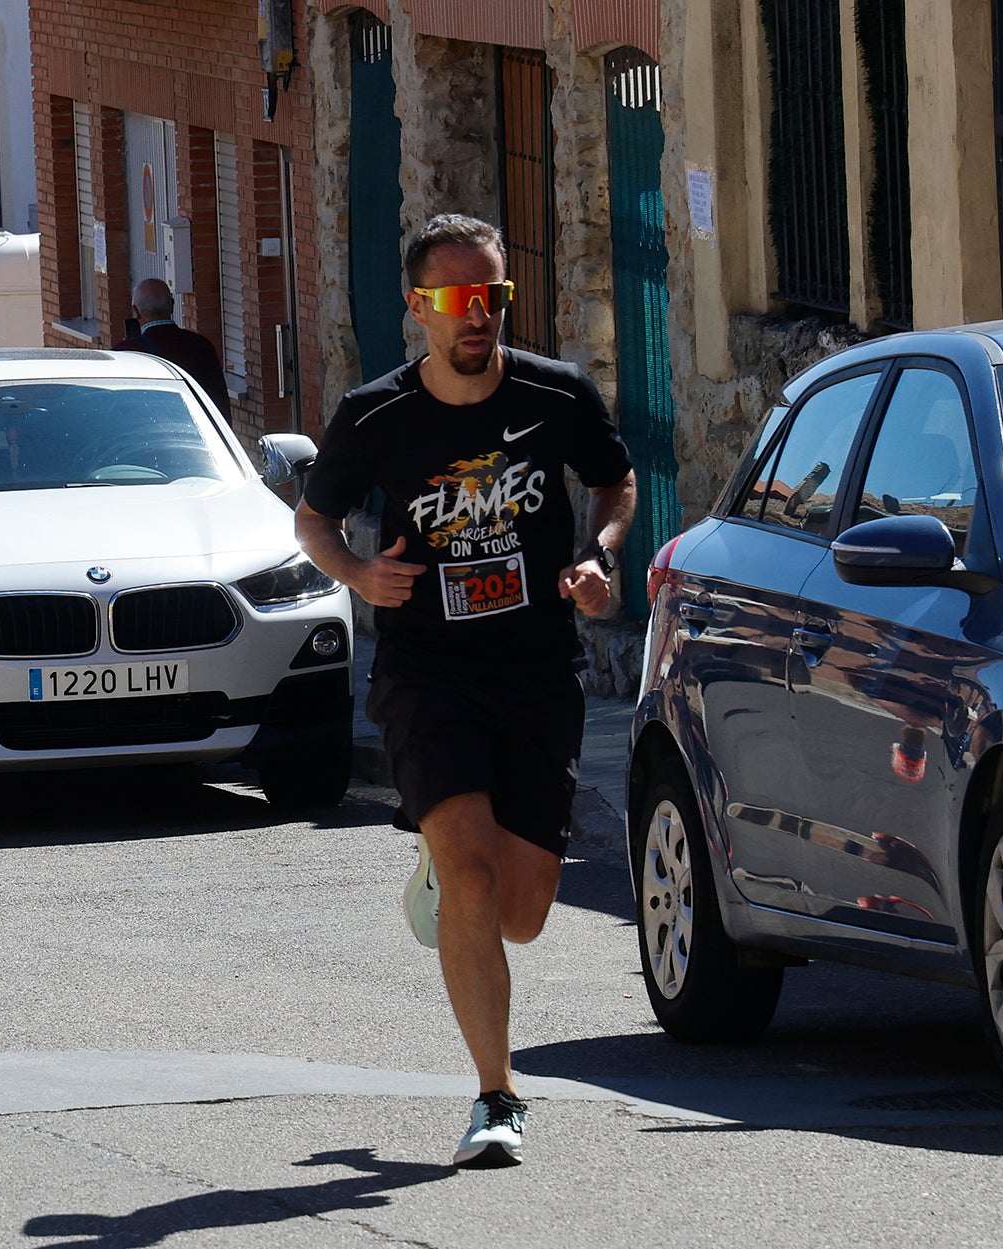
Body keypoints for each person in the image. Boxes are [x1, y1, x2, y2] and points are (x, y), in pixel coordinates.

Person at [295, 213, 636, 1169]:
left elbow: (616, 483)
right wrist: (359, 576)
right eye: (453, 298)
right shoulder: (375, 415)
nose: (475, 314)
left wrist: (599, 555)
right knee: (478, 877)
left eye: (490, 295)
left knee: (521, 911)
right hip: (426, 674)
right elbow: (314, 518)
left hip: (535, 672)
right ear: (418, 308)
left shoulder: (555, 392)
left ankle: (450, 880)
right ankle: (498, 1095)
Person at [113, 277, 233, 416]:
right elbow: (220, 401)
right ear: (172, 305)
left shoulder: (125, 353)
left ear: (136, 311)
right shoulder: (201, 345)